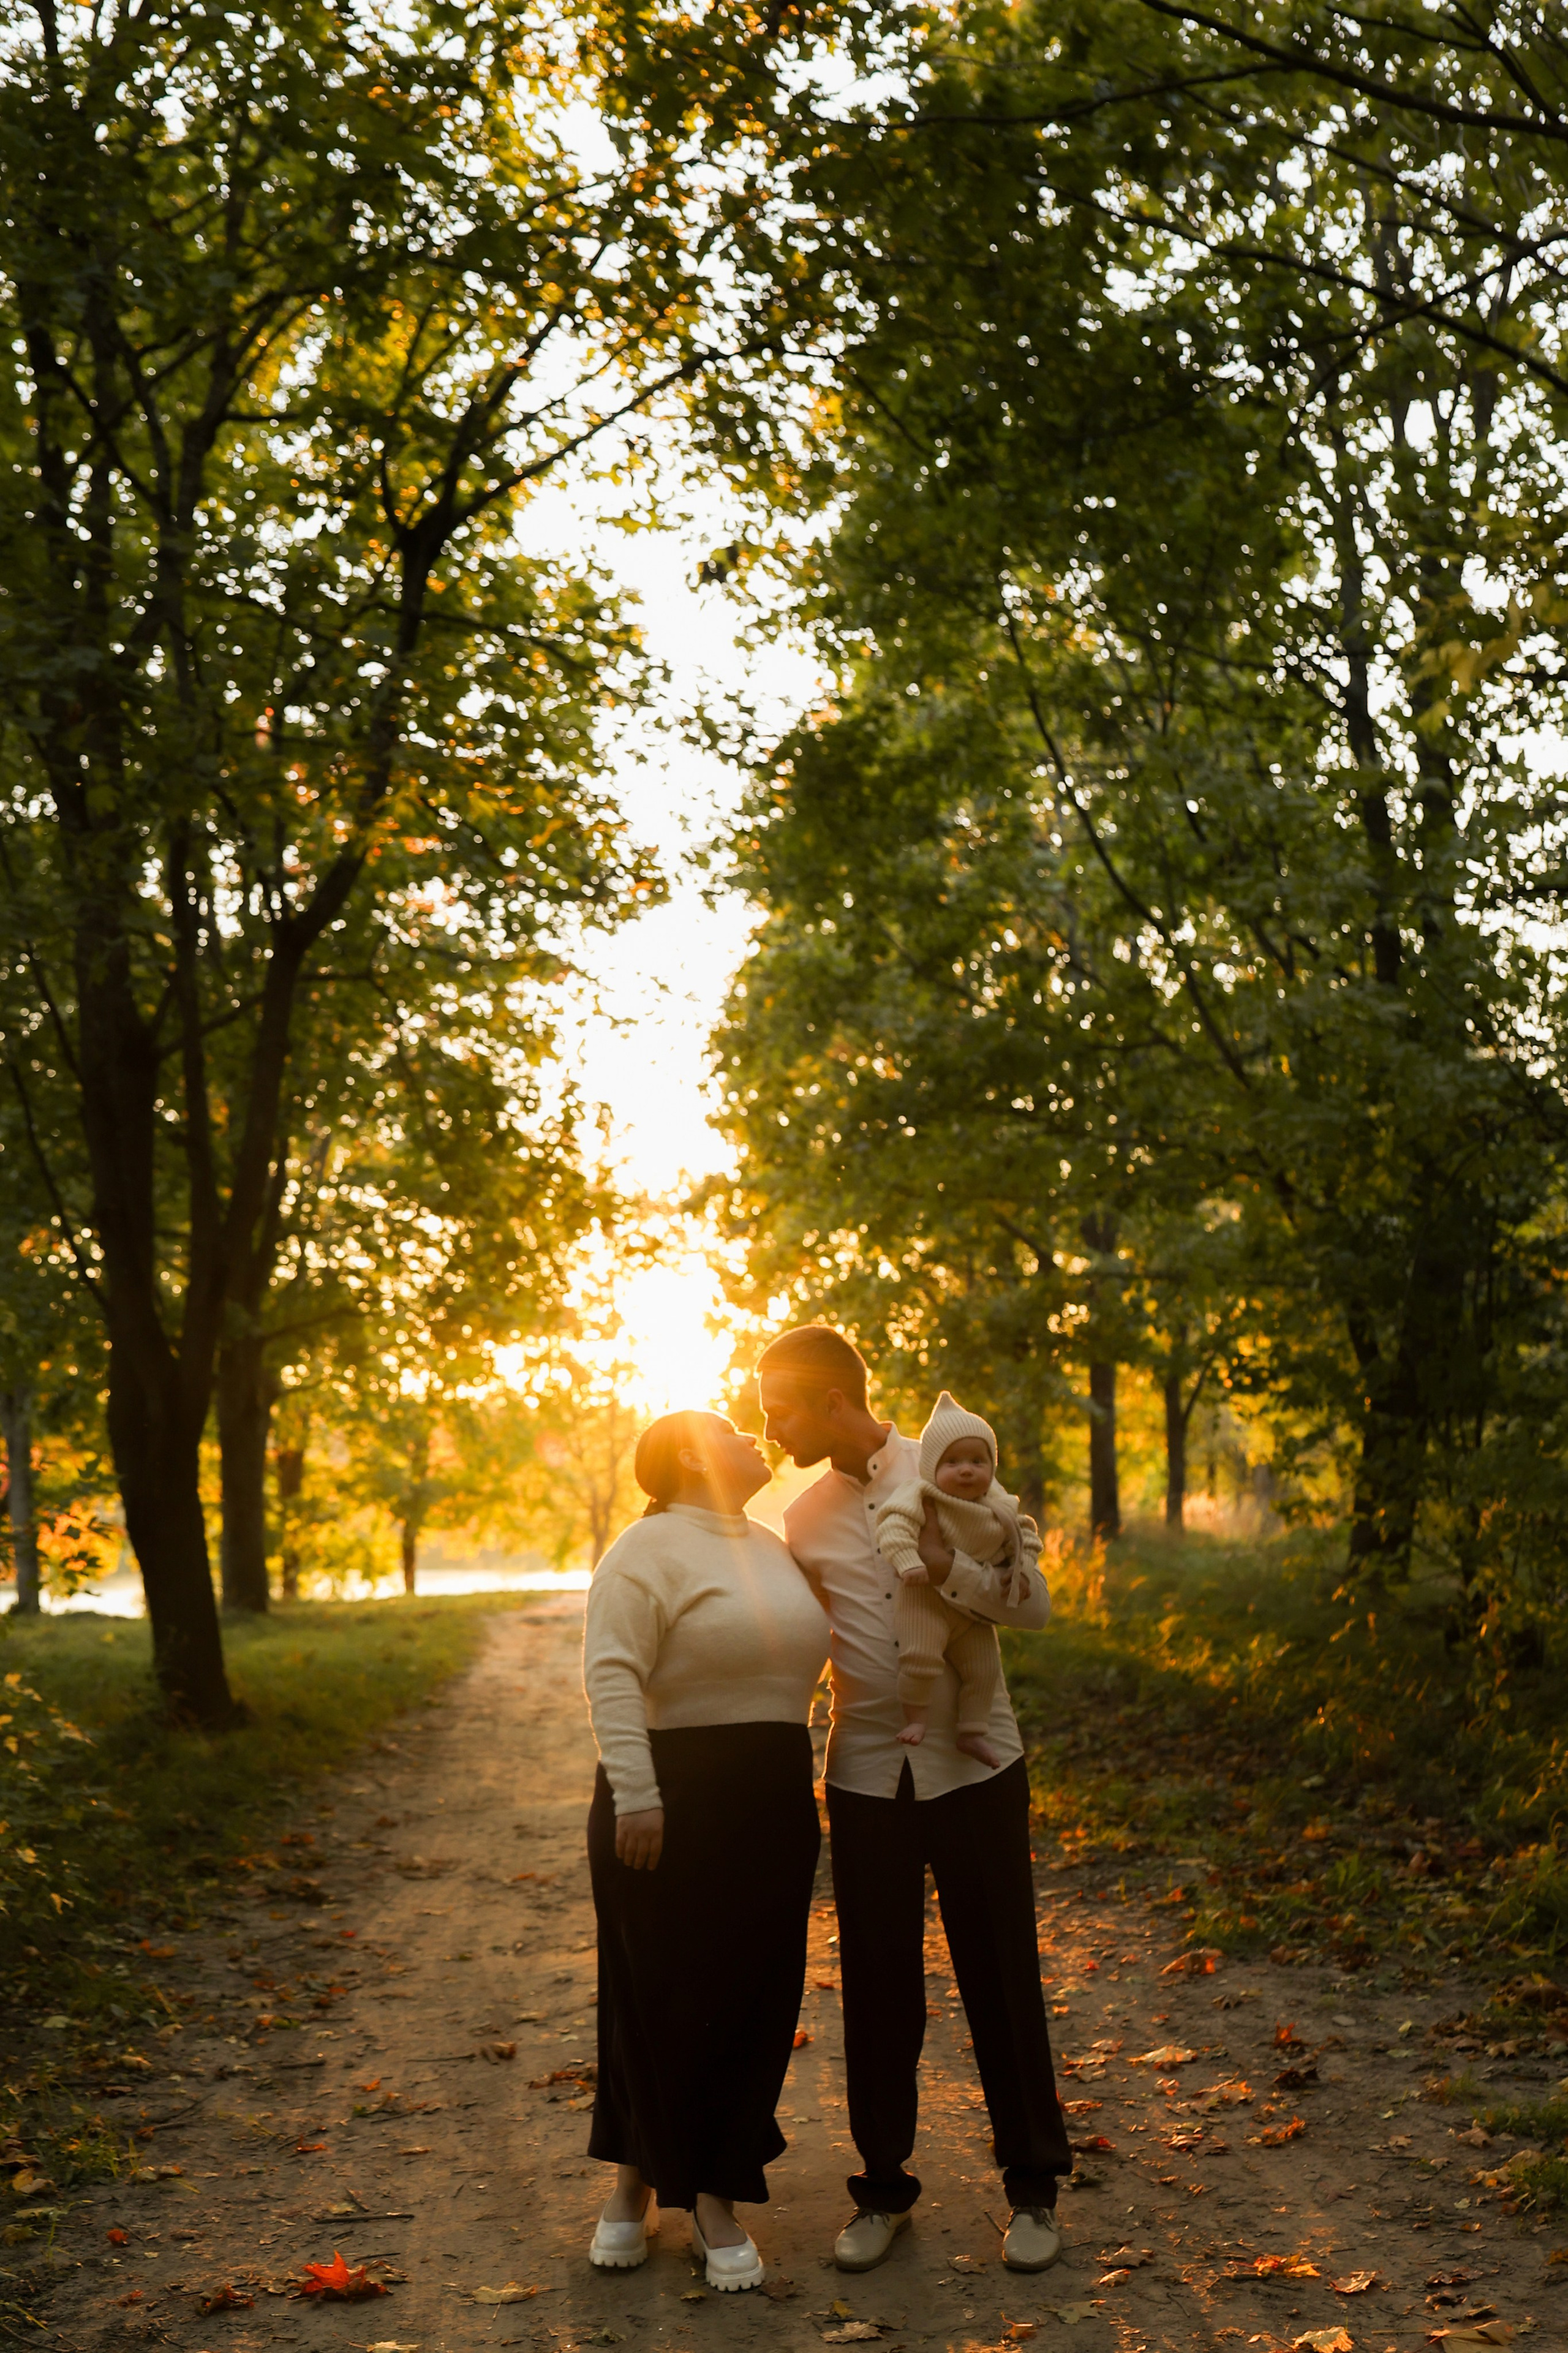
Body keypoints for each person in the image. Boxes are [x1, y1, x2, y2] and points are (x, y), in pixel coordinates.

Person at [757, 1326, 1072, 2276]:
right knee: (880, 1985)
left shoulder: (950, 1468)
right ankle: (884, 2189)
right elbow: (793, 1643)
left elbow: (1033, 1604)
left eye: (782, 1407)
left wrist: (948, 1571)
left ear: (833, 1401)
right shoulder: (802, 1518)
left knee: (1001, 1974)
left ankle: (1033, 2190)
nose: (771, 1426)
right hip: (863, 1775)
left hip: (977, 1766)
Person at [581, 1409, 829, 2291]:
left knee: (753, 2002)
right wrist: (640, 1797)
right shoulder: (643, 1552)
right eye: (733, 1429)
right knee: (662, 1999)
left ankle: (677, 2180)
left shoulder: (770, 1546)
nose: (757, 1438)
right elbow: (611, 1669)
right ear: (691, 1455)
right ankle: (673, 2193)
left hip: (768, 1801)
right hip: (668, 1798)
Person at [873, 1391, 1042, 1770]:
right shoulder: (919, 1492)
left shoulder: (998, 1505)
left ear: (992, 1466)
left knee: (984, 1670)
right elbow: (893, 1526)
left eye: (977, 1461)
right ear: (932, 1466)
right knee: (919, 1657)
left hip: (973, 1612)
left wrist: (1021, 1569)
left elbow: (1027, 1537)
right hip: (924, 1598)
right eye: (952, 1461)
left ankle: (972, 1731)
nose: (966, 1470)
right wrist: (907, 1561)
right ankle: (916, 1717)